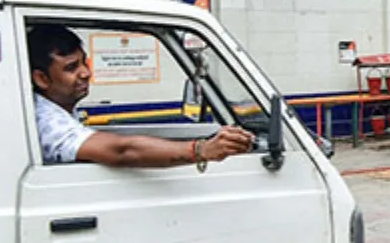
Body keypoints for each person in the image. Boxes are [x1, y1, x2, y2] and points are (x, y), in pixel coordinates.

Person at [28, 24, 254, 168]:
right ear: (42, 79)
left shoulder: (58, 110)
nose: (86, 73)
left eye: (83, 63)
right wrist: (201, 151)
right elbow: (122, 151)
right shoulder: (47, 122)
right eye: (71, 68)